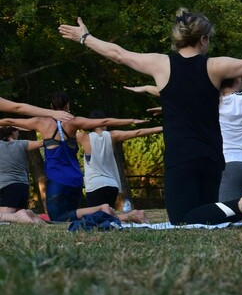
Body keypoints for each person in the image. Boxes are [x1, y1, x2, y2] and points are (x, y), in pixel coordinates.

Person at [59, 10, 242, 224]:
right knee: (208, 216)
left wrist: (86, 38)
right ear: (203, 39)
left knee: (182, 219)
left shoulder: (160, 64)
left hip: (182, 156)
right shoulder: (215, 66)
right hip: (213, 156)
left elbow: (118, 54)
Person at [0, 93, 148, 223]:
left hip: (57, 179)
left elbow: (10, 121)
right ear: (68, 105)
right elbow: (103, 122)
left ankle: (101, 209)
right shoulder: (74, 121)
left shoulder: (41, 122)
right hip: (76, 178)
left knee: (58, 218)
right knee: (72, 217)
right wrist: (132, 120)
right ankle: (129, 215)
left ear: (51, 106)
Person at [77, 111, 161, 217]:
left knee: (97, 219)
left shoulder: (83, 137)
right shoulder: (113, 135)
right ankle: (134, 215)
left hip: (94, 185)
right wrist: (161, 128)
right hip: (112, 184)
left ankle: (133, 215)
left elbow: (69, 127)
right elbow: (138, 132)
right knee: (108, 217)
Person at [0, 126, 48, 224]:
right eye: (17, 131)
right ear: (12, 132)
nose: (19, 133)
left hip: (7, 186)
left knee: (5, 220)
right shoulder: (22, 144)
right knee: (18, 220)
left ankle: (26, 215)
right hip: (23, 187)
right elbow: (45, 142)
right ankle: (34, 217)